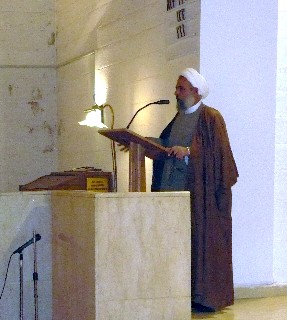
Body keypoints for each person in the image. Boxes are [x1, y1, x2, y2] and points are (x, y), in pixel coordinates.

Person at [151, 68, 239, 312]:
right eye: (177, 88)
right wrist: (142, 142)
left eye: (181, 88)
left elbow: (220, 156)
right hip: (173, 194)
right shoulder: (177, 119)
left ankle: (203, 296)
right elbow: (166, 146)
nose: (176, 92)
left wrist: (189, 152)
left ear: (196, 92)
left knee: (199, 244)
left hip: (199, 197)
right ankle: (180, 293)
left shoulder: (210, 117)